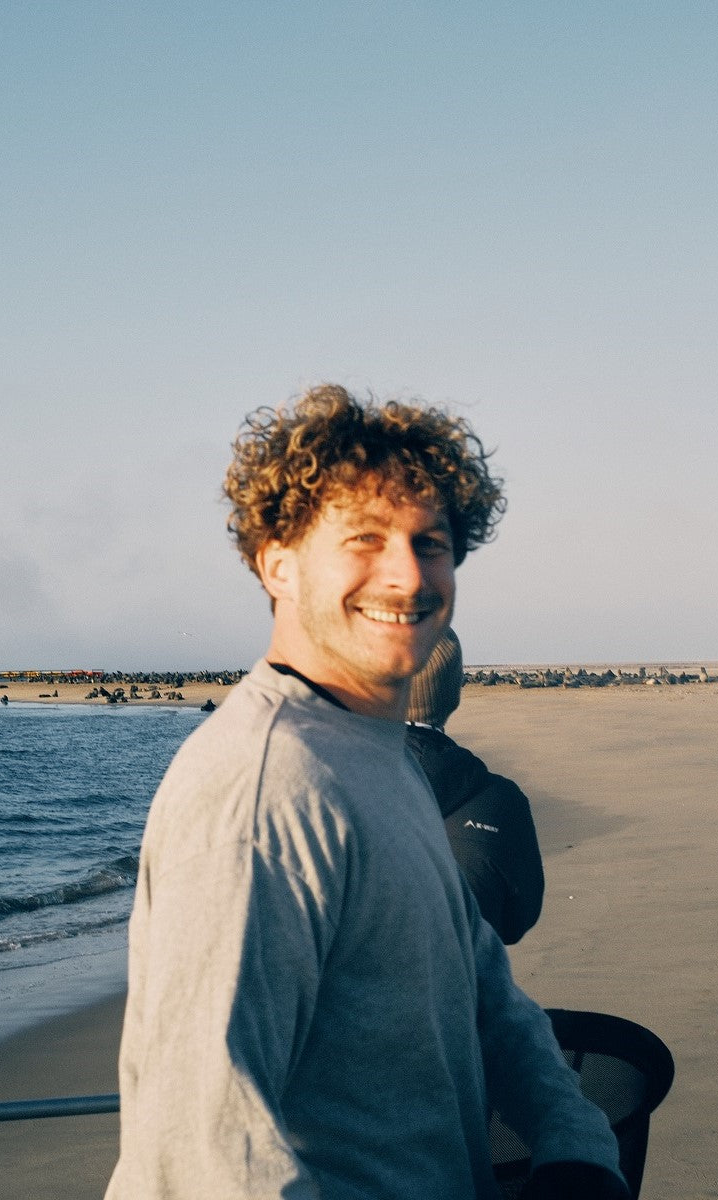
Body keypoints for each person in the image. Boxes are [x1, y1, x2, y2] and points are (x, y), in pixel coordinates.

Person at [106, 385, 628, 1199]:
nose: (407, 574)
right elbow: (206, 1150)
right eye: (365, 538)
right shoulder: (262, 791)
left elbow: (481, 985)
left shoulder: (377, 755)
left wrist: (573, 1139)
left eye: (432, 542)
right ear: (275, 562)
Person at [406, 627, 545, 945]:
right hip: (465, 989)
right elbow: (517, 921)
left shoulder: (324, 789)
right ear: (453, 691)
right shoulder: (503, 801)